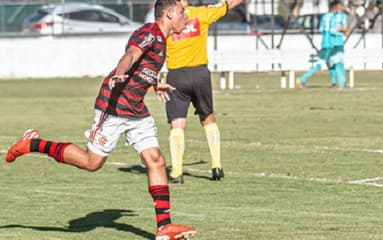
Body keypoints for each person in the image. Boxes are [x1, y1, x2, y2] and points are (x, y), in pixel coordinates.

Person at [5, 0, 196, 239]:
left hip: (136, 110)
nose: (185, 16)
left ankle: (164, 226)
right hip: (113, 106)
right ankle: (33, 143)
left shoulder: (162, 41)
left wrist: (156, 84)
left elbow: (145, 66)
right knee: (91, 163)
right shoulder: (149, 33)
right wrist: (119, 72)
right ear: (168, 14)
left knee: (155, 160)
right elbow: (132, 55)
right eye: (181, 12)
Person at [164, 0, 242, 184]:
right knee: (208, 119)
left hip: (176, 75)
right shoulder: (202, 14)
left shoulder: (167, 20)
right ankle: (216, 166)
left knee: (177, 124)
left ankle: (176, 172)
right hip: (200, 74)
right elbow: (228, 5)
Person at [296, 1, 339, 87]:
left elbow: (321, 29)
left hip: (324, 42)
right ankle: (302, 79)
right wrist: (341, 31)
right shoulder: (334, 17)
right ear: (335, 7)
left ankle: (334, 83)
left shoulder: (324, 16)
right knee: (320, 64)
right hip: (330, 43)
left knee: (331, 62)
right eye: (339, 7)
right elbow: (333, 30)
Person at [329, 0, 349, 88]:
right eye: (339, 6)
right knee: (334, 62)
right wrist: (340, 29)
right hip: (330, 42)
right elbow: (331, 29)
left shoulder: (343, 16)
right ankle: (337, 82)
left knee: (339, 61)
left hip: (339, 41)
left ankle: (341, 82)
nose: (341, 8)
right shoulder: (330, 16)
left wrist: (341, 29)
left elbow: (345, 28)